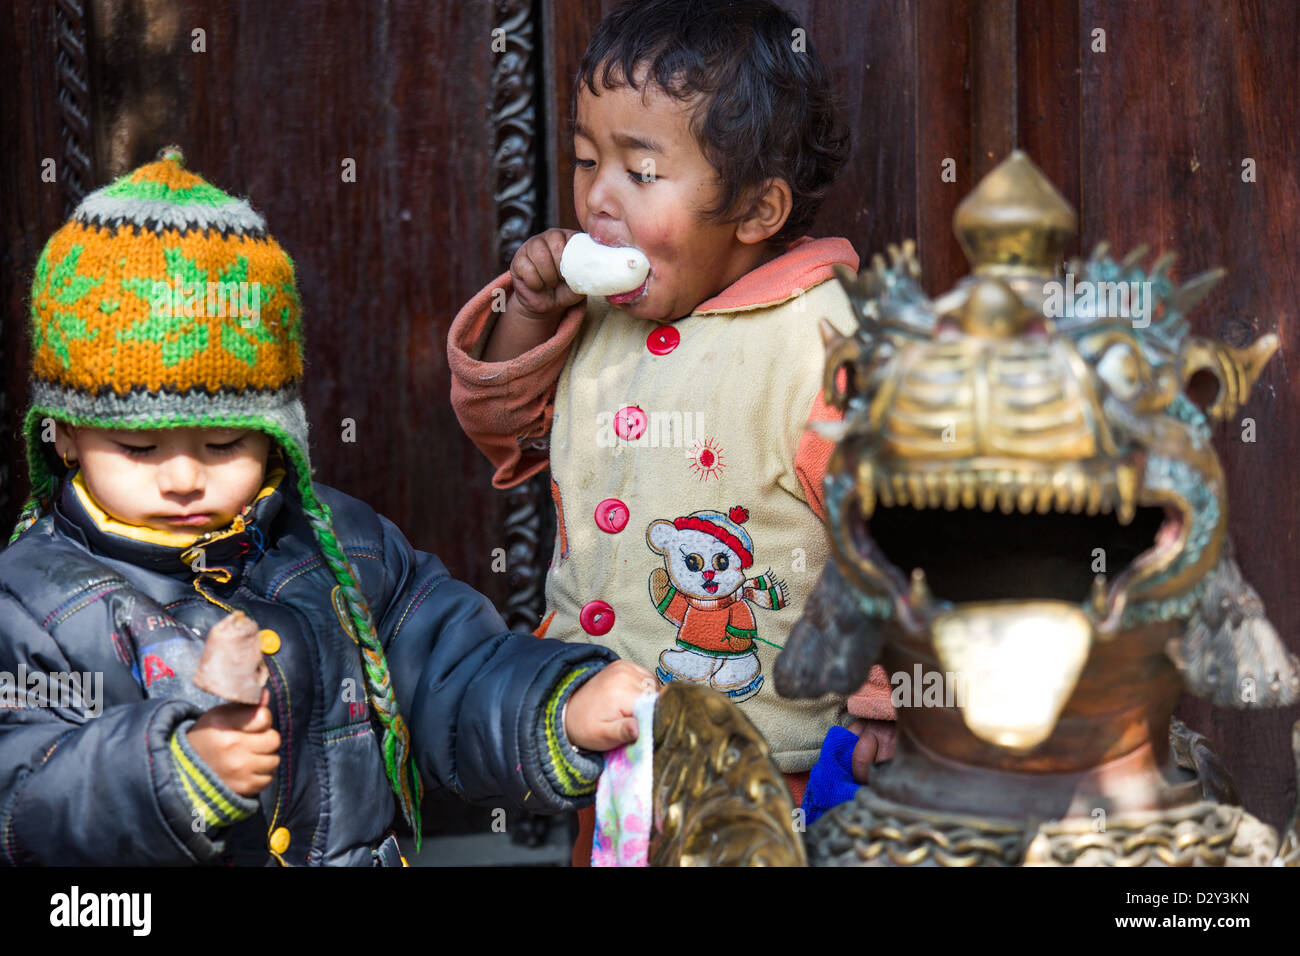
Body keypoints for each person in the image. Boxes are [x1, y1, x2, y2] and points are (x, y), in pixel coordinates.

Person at [0, 149, 650, 867]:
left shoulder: (344, 549)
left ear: (279, 431)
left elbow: (454, 680)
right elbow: (21, 794)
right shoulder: (28, 604)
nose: (182, 478)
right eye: (138, 448)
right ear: (61, 436)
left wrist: (558, 710)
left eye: (222, 442)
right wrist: (169, 774)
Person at [447, 0, 896, 863]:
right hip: (612, 753)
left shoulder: (825, 340)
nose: (596, 200)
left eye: (640, 173)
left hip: (775, 773)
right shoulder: (595, 318)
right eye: (586, 161)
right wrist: (528, 310)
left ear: (758, 210)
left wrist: (885, 703)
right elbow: (505, 428)